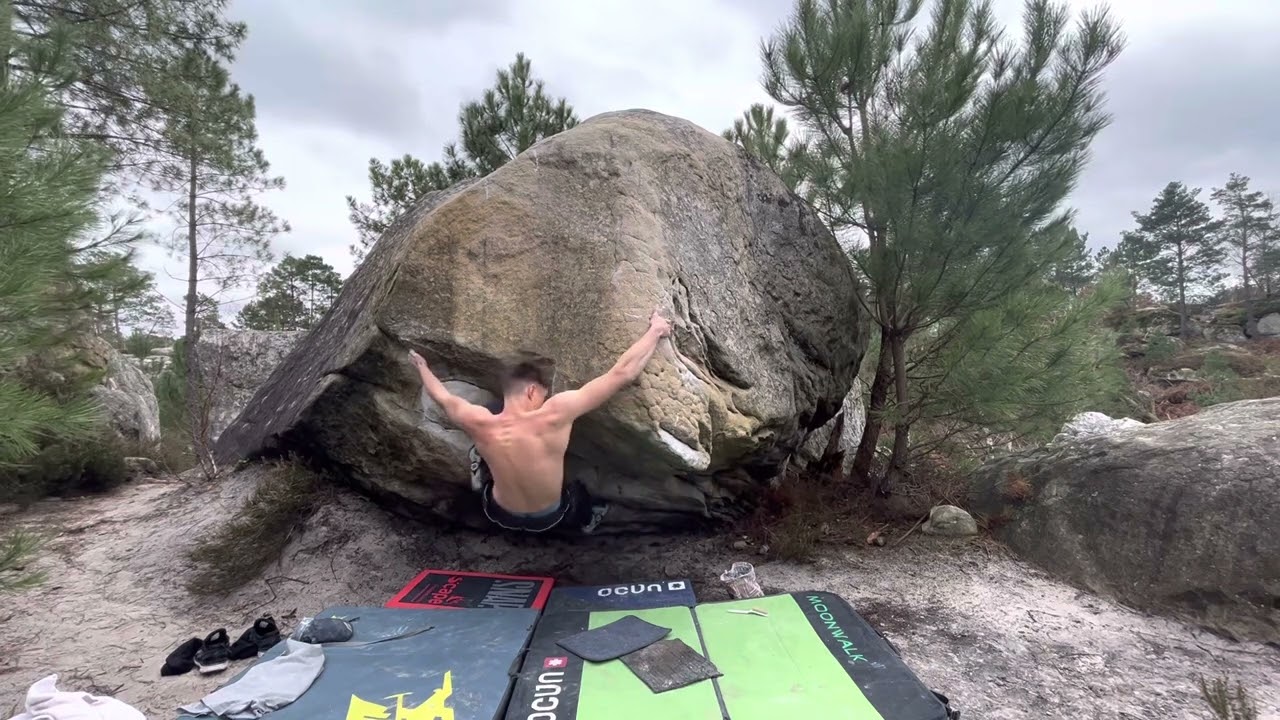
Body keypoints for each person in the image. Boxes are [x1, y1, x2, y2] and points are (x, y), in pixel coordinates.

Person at [408, 308, 673, 533]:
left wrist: (422, 366)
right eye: (543, 396)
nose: (545, 400)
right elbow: (622, 373)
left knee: (490, 417)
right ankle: (587, 519)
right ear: (532, 390)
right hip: (548, 518)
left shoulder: (477, 420)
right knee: (579, 492)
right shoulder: (555, 413)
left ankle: (481, 461)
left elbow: (443, 397)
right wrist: (656, 330)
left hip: (499, 514)